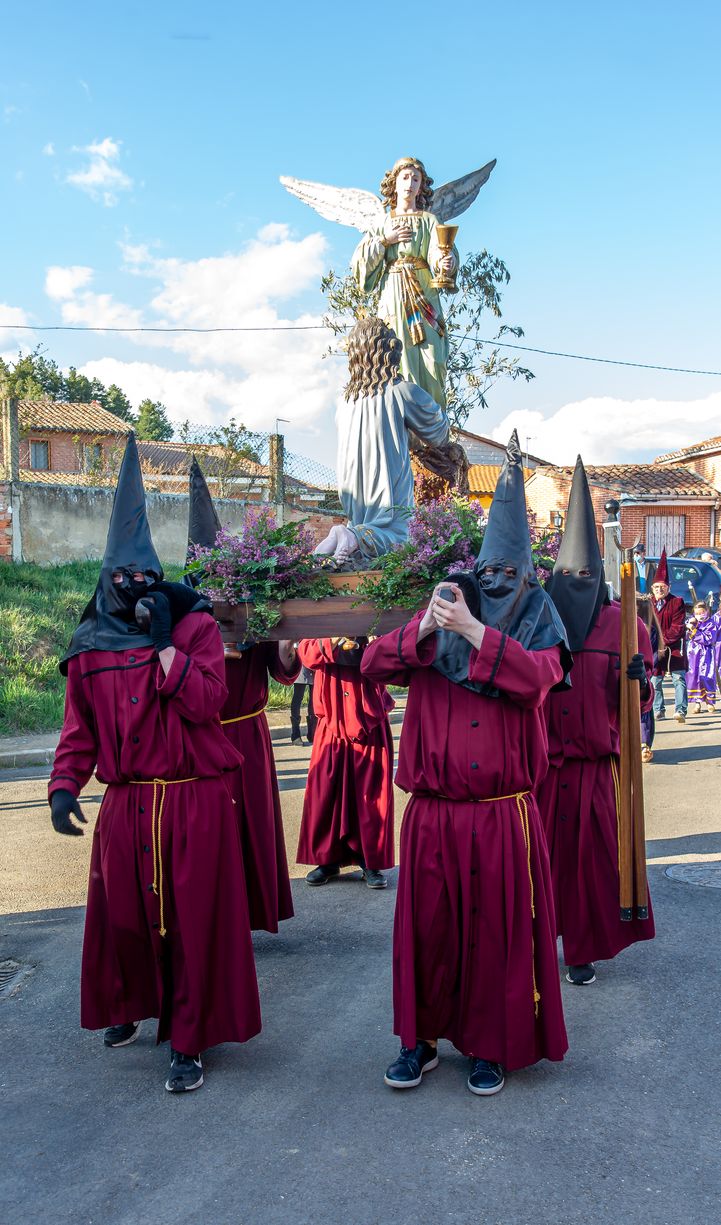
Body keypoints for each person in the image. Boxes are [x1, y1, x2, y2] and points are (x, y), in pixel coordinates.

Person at [362, 431, 572, 1097]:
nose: (496, 583)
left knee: (493, 934)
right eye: (488, 573)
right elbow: (372, 665)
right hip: (432, 813)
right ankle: (419, 1041)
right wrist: (428, 625)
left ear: (527, 579)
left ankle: (489, 1045)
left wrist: (477, 633)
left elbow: (535, 680)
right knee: (427, 932)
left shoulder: (538, 623)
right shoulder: (440, 619)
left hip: (501, 816)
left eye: (509, 574)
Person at [49, 435, 260, 1094]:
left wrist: (166, 644)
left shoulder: (194, 627)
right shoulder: (90, 646)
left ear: (158, 574)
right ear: (107, 577)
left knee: (193, 924)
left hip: (194, 800)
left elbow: (208, 701)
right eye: (123, 576)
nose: (135, 585)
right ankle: (132, 1003)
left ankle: (190, 1040)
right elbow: (78, 730)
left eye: (145, 574)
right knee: (126, 919)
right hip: (128, 804)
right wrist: (62, 787)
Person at [538, 457, 655, 987]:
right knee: (541, 862)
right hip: (543, 769)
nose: (577, 583)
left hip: (596, 768)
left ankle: (581, 949)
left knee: (590, 864)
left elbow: (640, 705)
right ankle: (539, 944)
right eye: (568, 576)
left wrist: (639, 682)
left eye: (586, 575)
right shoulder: (538, 623)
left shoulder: (624, 625)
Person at [185, 456, 299, 934]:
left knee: (250, 825)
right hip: (201, 738)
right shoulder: (179, 620)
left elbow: (282, 671)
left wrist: (287, 644)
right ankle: (213, 922)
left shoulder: (254, 611)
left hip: (248, 736)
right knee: (210, 833)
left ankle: (250, 914)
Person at [314, 316, 449, 562]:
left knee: (365, 540)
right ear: (389, 350)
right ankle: (350, 535)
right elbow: (439, 434)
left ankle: (339, 538)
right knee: (398, 535)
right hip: (387, 483)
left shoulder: (344, 402)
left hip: (354, 493)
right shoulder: (402, 391)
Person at [351, 156, 458, 409]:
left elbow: (439, 251)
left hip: (424, 295)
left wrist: (445, 262)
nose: (410, 183)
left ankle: (433, 425)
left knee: (433, 358)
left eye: (416, 179)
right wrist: (384, 240)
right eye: (405, 178)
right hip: (394, 295)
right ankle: (402, 422)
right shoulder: (382, 222)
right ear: (395, 183)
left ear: (421, 186)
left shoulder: (429, 220)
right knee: (397, 356)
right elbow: (359, 265)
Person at [296, 636, 395, 889]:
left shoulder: (377, 612)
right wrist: (334, 637)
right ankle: (328, 859)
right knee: (326, 790)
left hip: (368, 713)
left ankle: (370, 860)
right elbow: (306, 653)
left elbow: (393, 658)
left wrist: (376, 642)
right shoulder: (318, 612)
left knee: (370, 793)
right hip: (331, 715)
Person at [649, 550, 688, 723]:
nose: (659, 589)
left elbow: (677, 627)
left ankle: (680, 710)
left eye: (663, 587)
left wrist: (662, 643)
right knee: (655, 679)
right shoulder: (647, 603)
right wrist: (654, 645)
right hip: (654, 648)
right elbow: (645, 626)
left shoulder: (677, 602)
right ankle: (659, 709)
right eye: (656, 587)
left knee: (678, 678)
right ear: (652, 588)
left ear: (668, 588)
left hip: (674, 647)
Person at [637, 597, 665, 762]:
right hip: (632, 672)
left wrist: (644, 672)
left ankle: (644, 744)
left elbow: (652, 656)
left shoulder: (650, 630)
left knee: (644, 710)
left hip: (642, 674)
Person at [685, 600, 721, 713]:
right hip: (693, 653)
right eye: (697, 613)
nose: (700, 615)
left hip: (706, 654)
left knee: (707, 676)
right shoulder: (692, 622)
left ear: (707, 612)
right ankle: (697, 703)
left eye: (702, 613)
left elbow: (708, 639)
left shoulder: (711, 624)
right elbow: (685, 636)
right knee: (694, 677)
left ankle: (710, 702)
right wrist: (689, 627)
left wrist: (694, 631)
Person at [290, 660, 317, 745]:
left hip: (315, 665)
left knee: (314, 699)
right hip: (301, 665)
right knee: (298, 698)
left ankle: (312, 733)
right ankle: (295, 734)